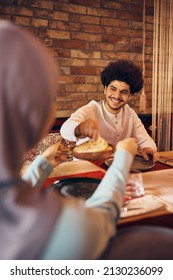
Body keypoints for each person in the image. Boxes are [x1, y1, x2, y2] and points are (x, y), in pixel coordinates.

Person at [0, 20, 138, 260]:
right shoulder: (64, 230)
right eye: (49, 98)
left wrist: (41, 165)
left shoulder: (130, 114)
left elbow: (13, 193)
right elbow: (100, 219)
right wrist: (124, 158)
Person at [60, 59, 159, 162]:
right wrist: (79, 128)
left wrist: (148, 148)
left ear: (130, 96)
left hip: (116, 168)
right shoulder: (91, 109)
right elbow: (65, 129)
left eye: (124, 92)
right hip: (86, 169)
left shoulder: (130, 114)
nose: (117, 96)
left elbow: (144, 139)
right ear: (105, 89)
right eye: (113, 89)